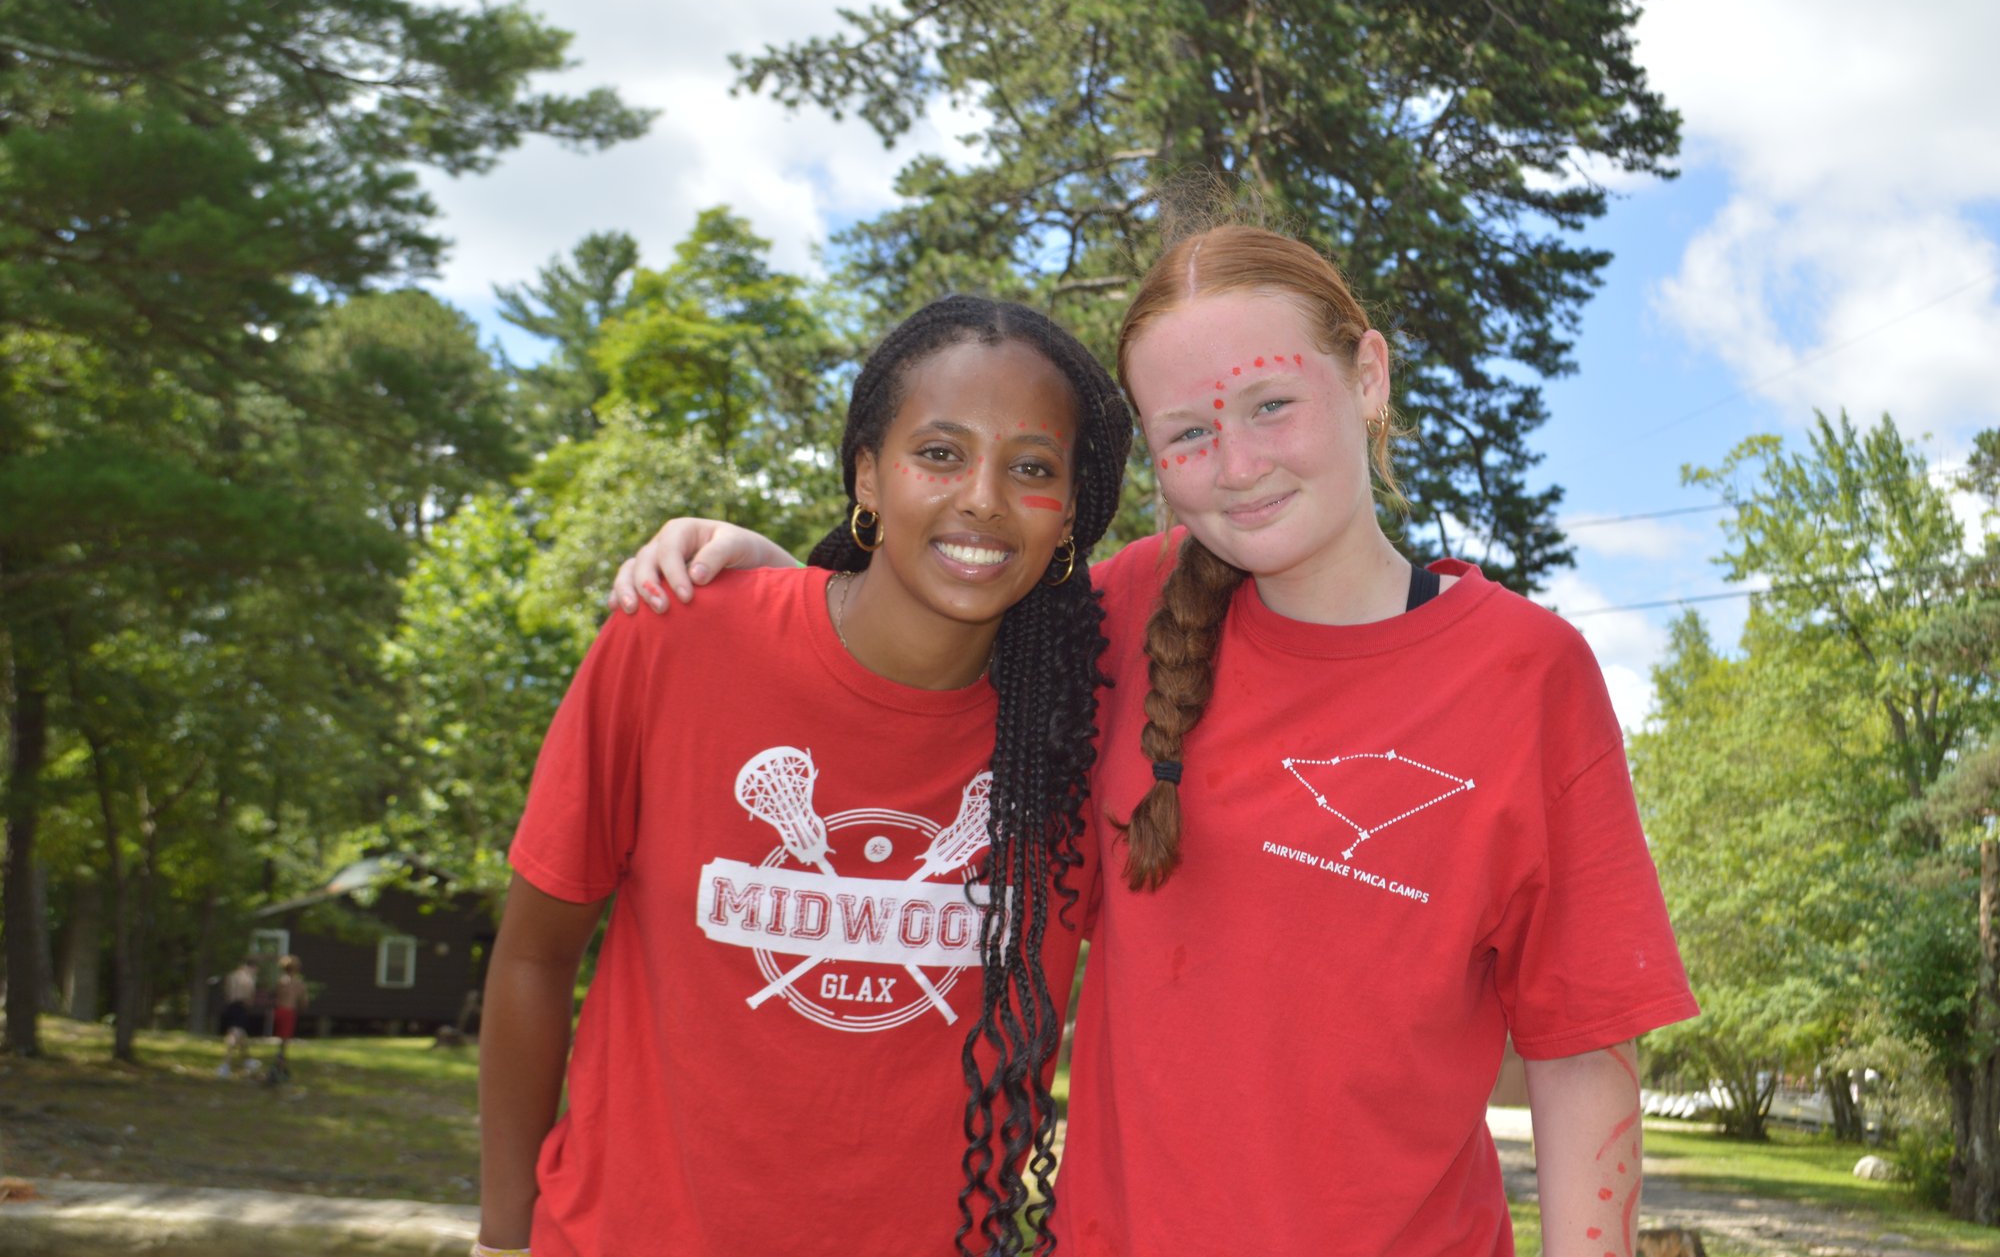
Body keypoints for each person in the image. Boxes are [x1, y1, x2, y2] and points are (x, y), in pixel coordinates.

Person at [607, 224, 1698, 1255]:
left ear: (1365, 377)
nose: (1236, 464)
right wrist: (777, 577)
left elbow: (1581, 1047)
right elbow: (920, 637)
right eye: (1187, 433)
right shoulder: (1124, 612)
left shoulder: (1524, 672)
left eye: (1272, 404)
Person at [475, 296, 1133, 1257]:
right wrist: (501, 1241)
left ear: (1070, 510)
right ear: (867, 471)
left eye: (1032, 467)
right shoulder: (680, 634)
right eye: (939, 453)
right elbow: (533, 954)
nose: (984, 497)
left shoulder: (1084, 728)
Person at [216, 956, 260, 1078]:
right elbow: (249, 996)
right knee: (234, 1035)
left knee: (241, 1034)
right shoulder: (248, 978)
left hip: (230, 1006)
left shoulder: (231, 976)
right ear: (252, 967)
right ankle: (225, 1064)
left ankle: (248, 1060)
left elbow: (227, 993)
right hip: (240, 1007)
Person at [269, 954, 307, 1073]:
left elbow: (274, 996)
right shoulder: (298, 983)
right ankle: (280, 1063)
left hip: (278, 1010)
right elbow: (303, 1000)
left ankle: (281, 1061)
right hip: (289, 1011)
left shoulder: (280, 981)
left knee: (281, 1038)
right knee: (285, 1039)